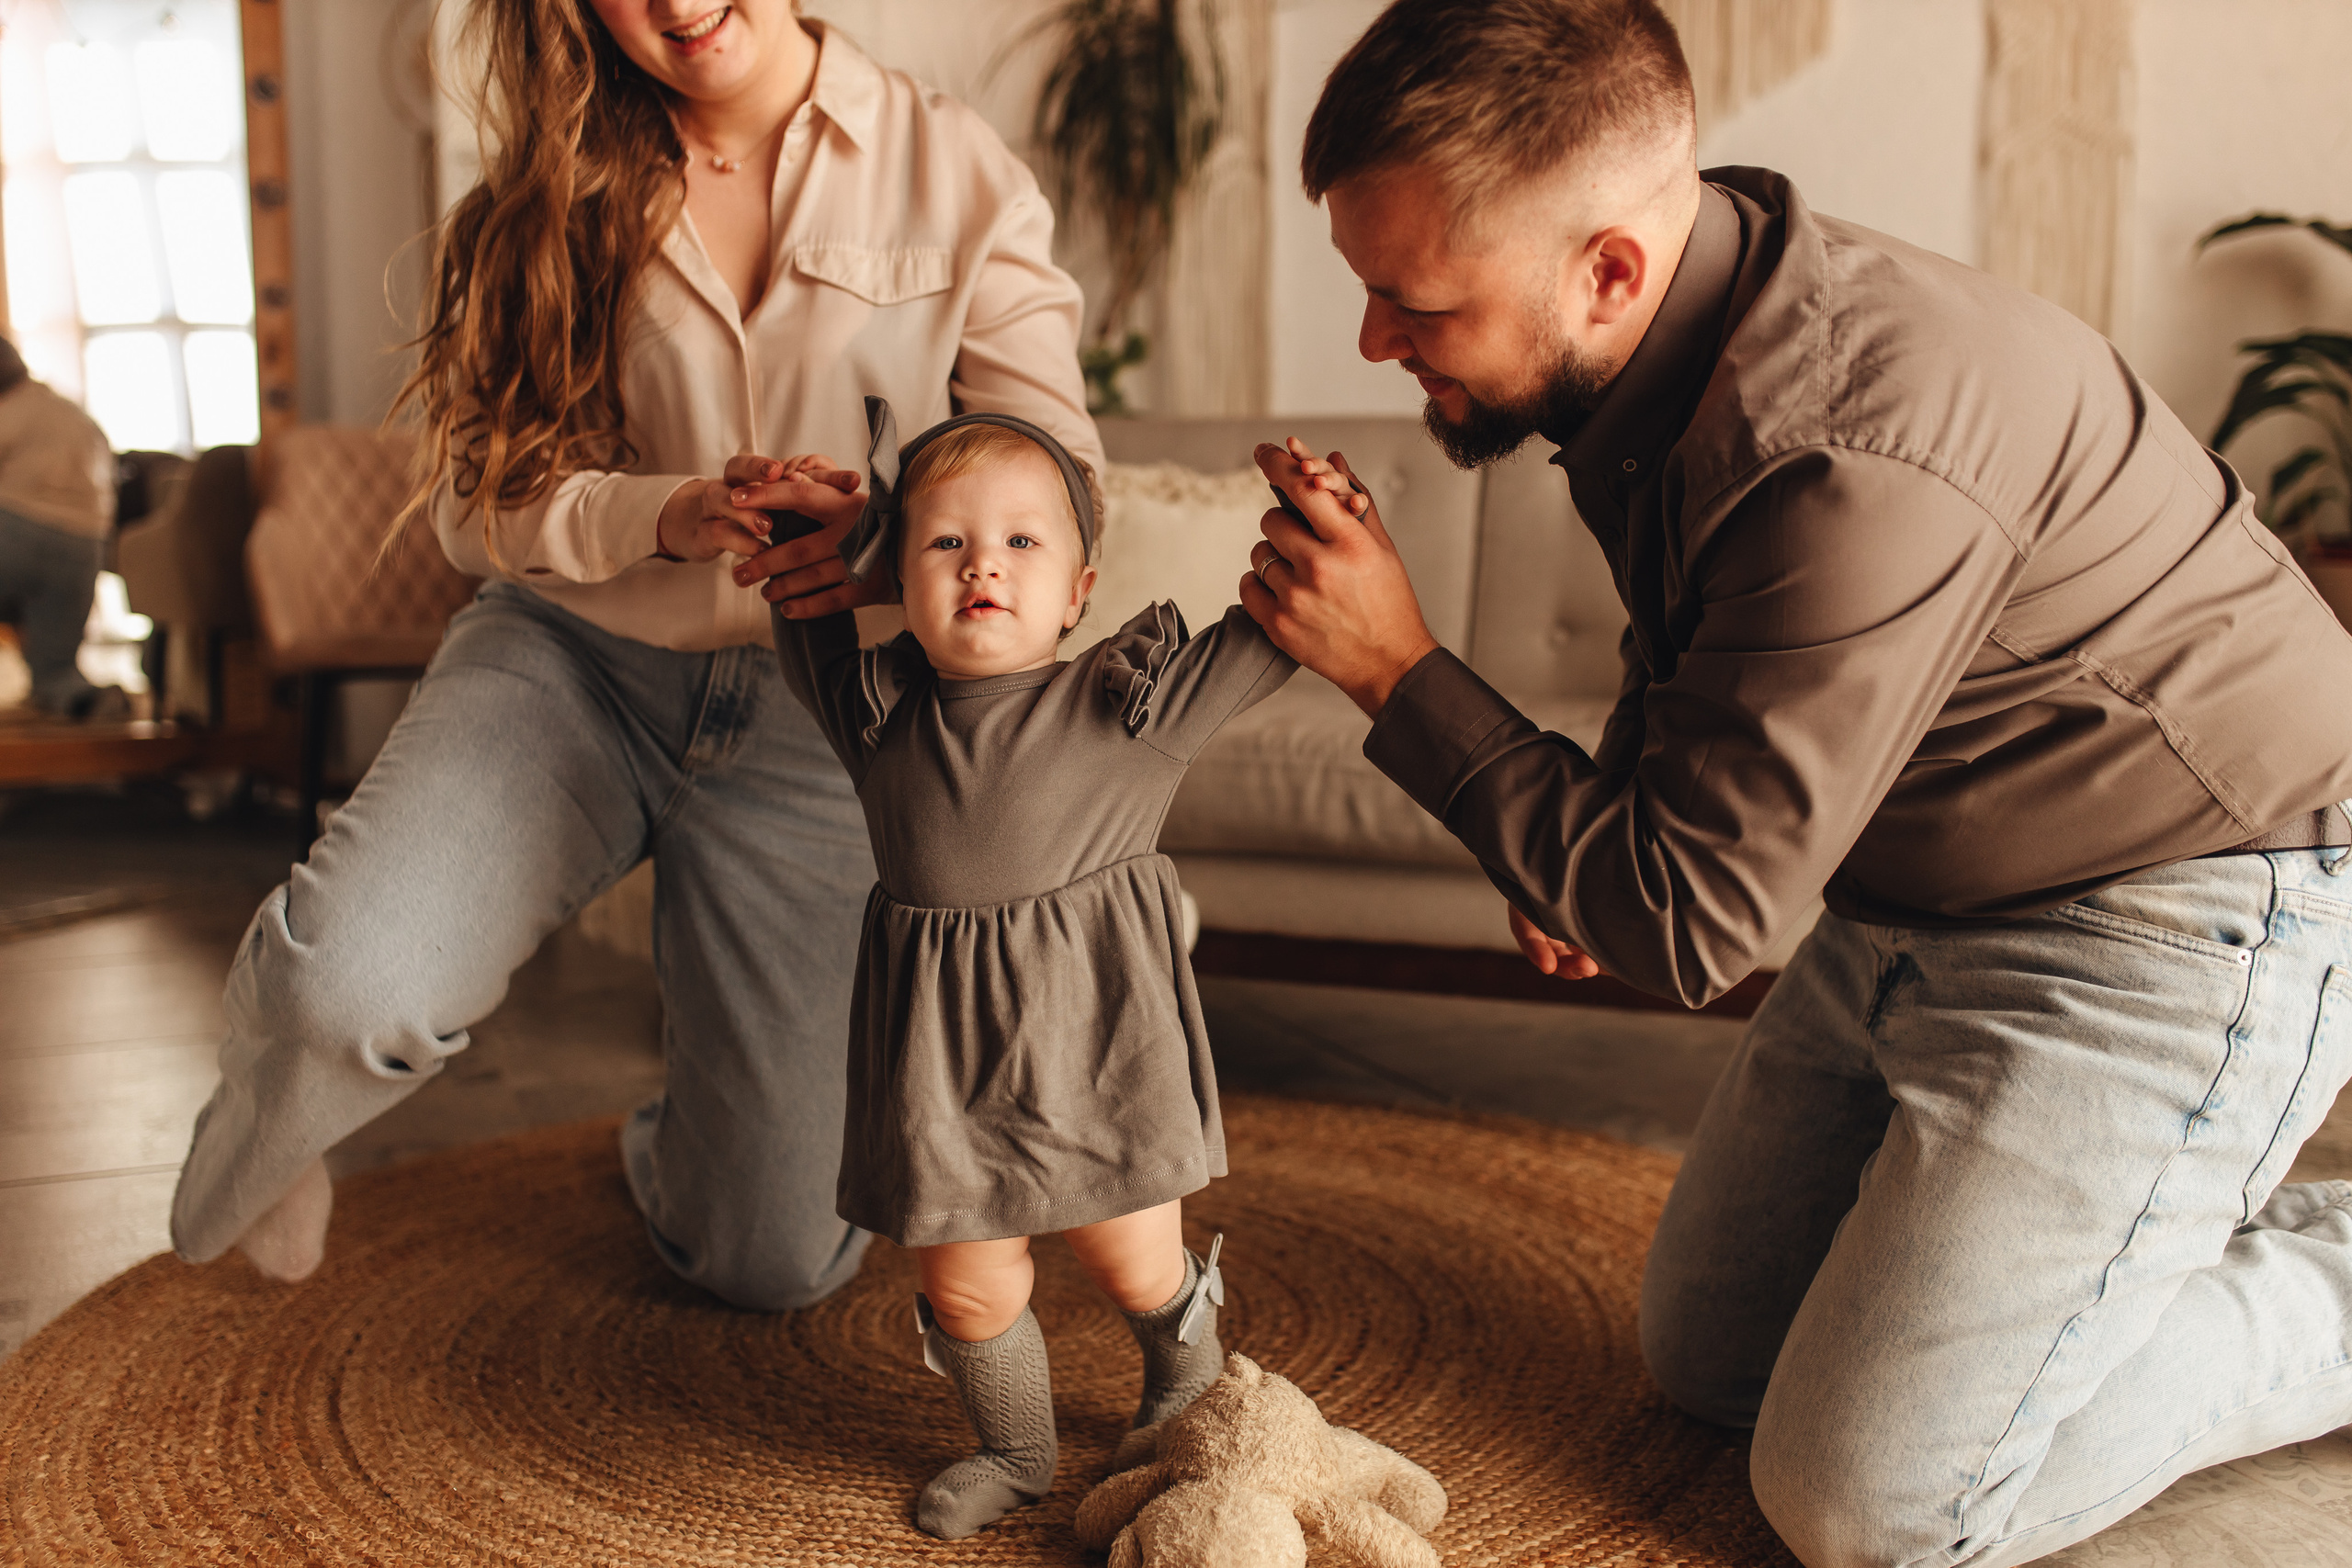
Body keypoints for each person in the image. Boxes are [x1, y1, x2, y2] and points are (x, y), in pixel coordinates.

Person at [1241, 2, 2352, 1565]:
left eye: (1408, 300)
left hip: (2180, 909)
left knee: (1878, 1505)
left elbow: (1694, 930)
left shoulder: (1846, 452)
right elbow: (1704, 643)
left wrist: (1393, 670)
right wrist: (1590, 819)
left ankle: (2324, 1287)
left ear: (1607, 270)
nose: (1373, 342)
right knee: (1713, 1364)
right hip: (1919, 892)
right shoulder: (1701, 315)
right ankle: (2127, 1241)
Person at [167, 0, 1102, 1316]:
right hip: (575, 660)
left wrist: (894, 537)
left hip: (825, 714)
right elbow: (472, 500)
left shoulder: (954, 169)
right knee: (346, 994)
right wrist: (662, 510)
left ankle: (690, 1129)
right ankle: (268, 1125)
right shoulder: (543, 184)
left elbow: (1066, 476)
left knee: (772, 1258)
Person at [767, 399, 1288, 1537]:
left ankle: (1182, 1382)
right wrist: (795, 540)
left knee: (1134, 1254)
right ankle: (1013, 1446)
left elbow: (1270, 635)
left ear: (1080, 586)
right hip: (939, 1065)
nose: (980, 568)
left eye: (1019, 542)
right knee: (965, 1281)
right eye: (944, 543)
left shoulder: (1129, 707)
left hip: (1097, 1043)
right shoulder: (878, 718)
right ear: (896, 579)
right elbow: (798, 612)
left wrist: (1309, 530)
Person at [0, 336, 127, 721]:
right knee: (55, 666)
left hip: (16, 531)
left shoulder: (11, 411)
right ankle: (74, 698)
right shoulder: (72, 413)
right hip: (85, 545)